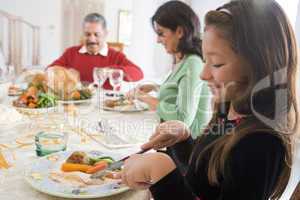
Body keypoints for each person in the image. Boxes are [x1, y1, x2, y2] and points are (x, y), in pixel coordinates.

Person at [118, 0, 299, 199]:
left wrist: (163, 173)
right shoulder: (227, 109)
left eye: (217, 64)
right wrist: (184, 140)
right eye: (205, 60)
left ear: (260, 67)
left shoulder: (261, 144)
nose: (203, 75)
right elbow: (205, 178)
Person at [127, 1, 211, 138]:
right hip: (174, 140)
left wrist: (143, 97)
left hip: (189, 148)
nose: (157, 40)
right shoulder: (183, 60)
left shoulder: (193, 63)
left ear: (179, 31)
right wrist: (155, 87)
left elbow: (182, 119)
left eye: (161, 33)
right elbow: (179, 93)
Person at [49, 13, 143, 90]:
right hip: (77, 103)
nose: (92, 39)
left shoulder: (116, 56)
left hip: (106, 106)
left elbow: (139, 74)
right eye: (87, 34)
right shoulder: (71, 53)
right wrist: (66, 72)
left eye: (96, 34)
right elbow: (49, 70)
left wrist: (111, 70)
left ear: (105, 33)